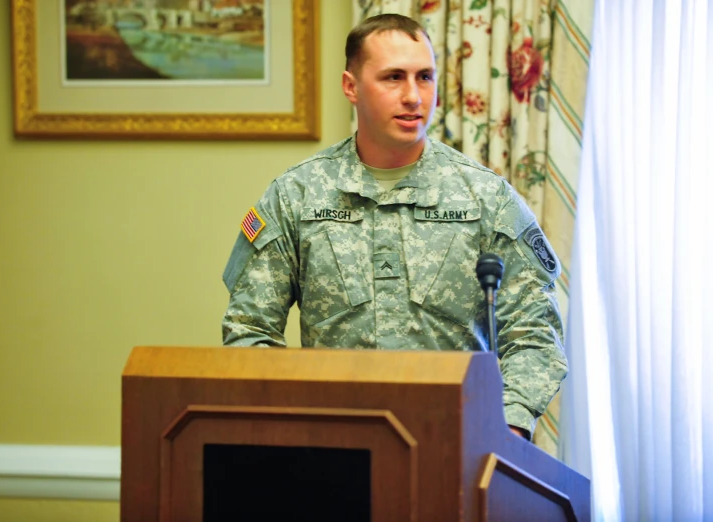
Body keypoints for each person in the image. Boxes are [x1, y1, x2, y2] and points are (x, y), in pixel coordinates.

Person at [221, 14, 567, 440]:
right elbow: (249, 330)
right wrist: (287, 425)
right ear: (351, 87)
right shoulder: (298, 195)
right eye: (393, 77)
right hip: (330, 444)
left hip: (456, 443)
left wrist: (508, 429)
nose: (413, 96)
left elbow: (534, 335)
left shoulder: (486, 199)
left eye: (425, 77)